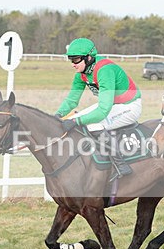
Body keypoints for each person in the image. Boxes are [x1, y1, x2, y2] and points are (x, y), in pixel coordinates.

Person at [54, 37, 142, 177]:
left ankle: (120, 164)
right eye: (71, 60)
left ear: (89, 58)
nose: (73, 64)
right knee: (75, 118)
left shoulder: (104, 70)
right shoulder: (81, 74)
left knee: (92, 124)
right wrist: (57, 116)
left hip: (129, 106)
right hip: (113, 106)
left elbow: (102, 111)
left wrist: (76, 121)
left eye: (76, 59)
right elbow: (72, 100)